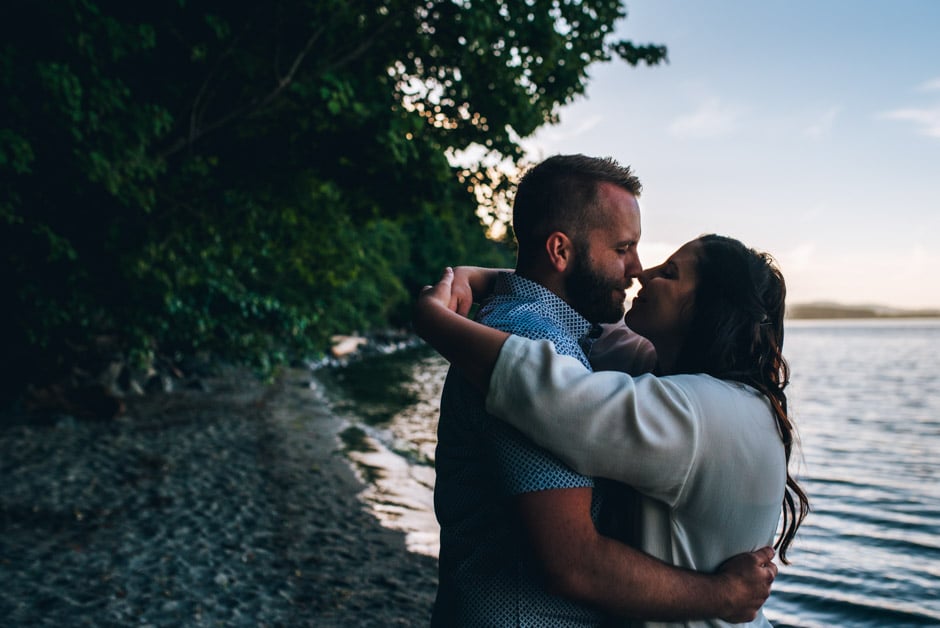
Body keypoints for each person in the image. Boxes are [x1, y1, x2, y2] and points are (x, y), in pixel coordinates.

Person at [427, 153, 777, 627]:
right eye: (622, 248)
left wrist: (463, 295)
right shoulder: (537, 339)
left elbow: (567, 395)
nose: (637, 269)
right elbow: (573, 563)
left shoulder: (588, 344)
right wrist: (722, 596)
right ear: (561, 251)